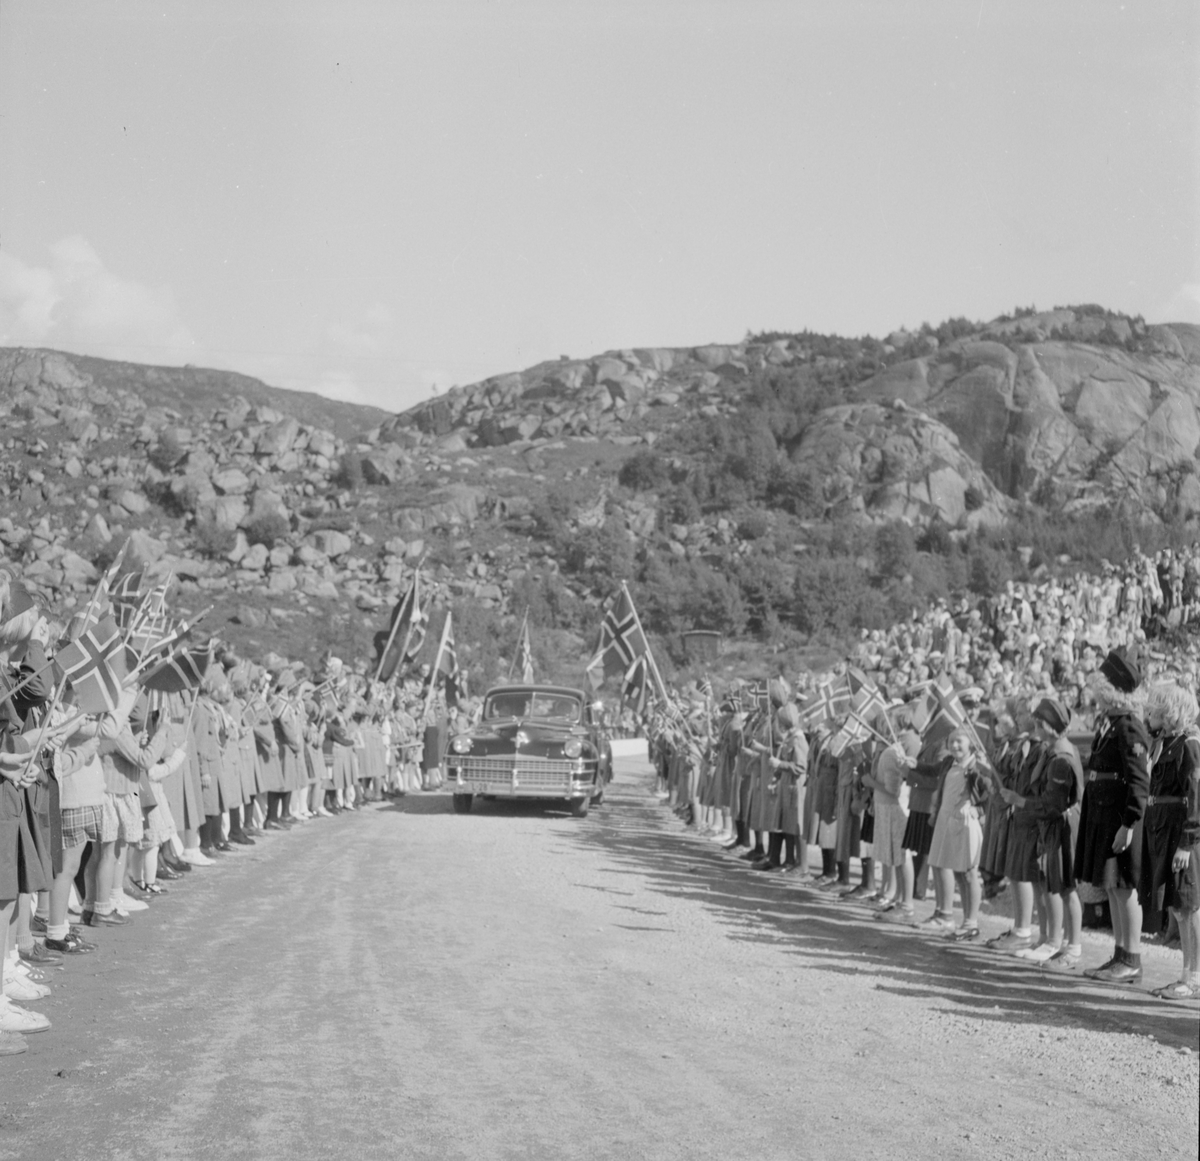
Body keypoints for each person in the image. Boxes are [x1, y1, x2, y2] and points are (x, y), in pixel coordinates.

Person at [1077, 649, 1150, 984]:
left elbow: (1138, 781)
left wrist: (1129, 823)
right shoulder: (1111, 724)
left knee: (1124, 888)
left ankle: (1131, 958)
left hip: (1120, 818)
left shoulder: (1129, 726)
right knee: (1112, 888)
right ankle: (1120, 954)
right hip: (1105, 816)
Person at [1141, 683, 1200, 999]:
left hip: (1179, 833)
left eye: (1157, 708)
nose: (1150, 713)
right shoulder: (1165, 742)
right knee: (1179, 909)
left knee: (1188, 907)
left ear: (1172, 711)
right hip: (1162, 830)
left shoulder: (1189, 744)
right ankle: (1185, 975)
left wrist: (1186, 844)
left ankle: (1195, 978)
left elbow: (1195, 796)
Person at [926, 728, 990, 941]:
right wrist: (912, 765)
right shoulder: (948, 763)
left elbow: (992, 793)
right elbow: (932, 771)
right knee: (957, 873)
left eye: (959, 742)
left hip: (965, 822)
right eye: (951, 741)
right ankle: (962, 921)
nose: (954, 746)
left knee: (970, 873)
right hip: (947, 819)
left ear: (970, 743)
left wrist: (979, 810)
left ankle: (971, 923)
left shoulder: (976, 766)